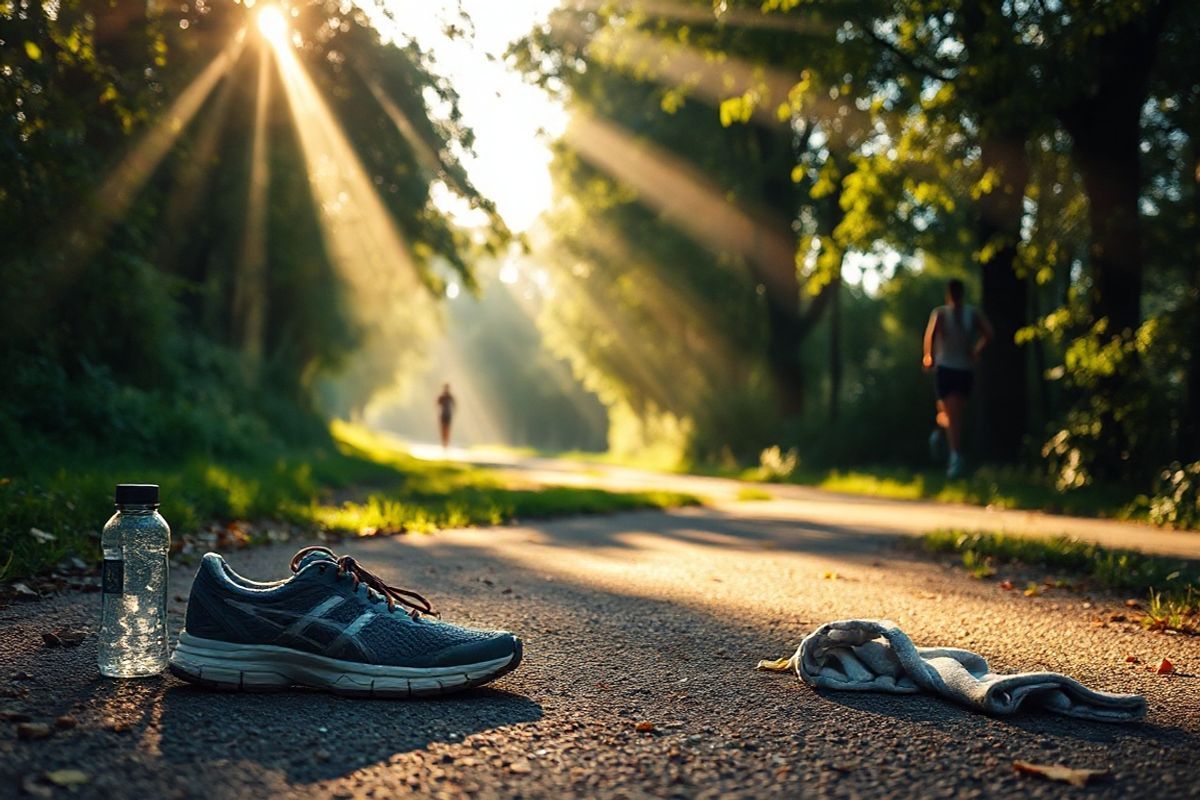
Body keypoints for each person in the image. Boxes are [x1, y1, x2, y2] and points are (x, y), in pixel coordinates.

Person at [923, 279, 993, 478]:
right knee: (951, 413)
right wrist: (929, 357)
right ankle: (953, 454)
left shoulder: (972, 314)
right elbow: (930, 336)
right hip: (945, 368)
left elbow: (989, 333)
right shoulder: (941, 314)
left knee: (955, 414)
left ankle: (947, 445)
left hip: (963, 369)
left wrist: (975, 351)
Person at [436, 383, 456, 450]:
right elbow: (437, 404)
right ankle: (443, 442)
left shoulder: (450, 397)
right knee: (442, 429)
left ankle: (446, 443)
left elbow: (454, 405)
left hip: (448, 415)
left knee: (447, 429)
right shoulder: (442, 397)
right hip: (443, 414)